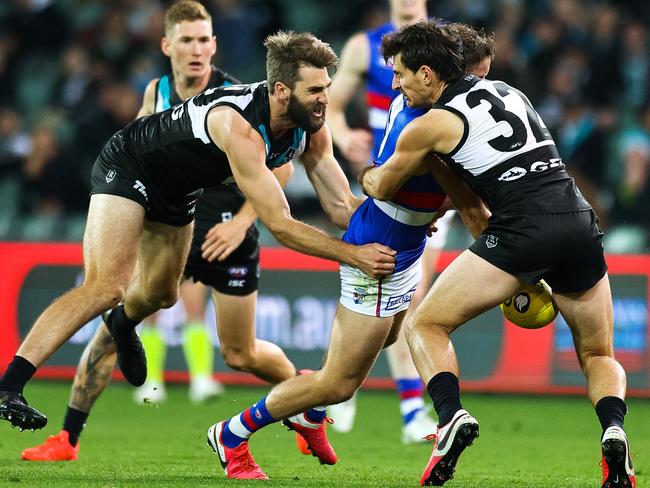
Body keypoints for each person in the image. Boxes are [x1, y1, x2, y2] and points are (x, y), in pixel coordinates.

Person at [0, 31, 397, 443]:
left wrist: (400, 224)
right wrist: (354, 255)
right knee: (107, 285)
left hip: (179, 191)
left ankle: (121, 324)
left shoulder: (311, 128)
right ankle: (10, 385)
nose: (325, 99)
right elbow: (279, 224)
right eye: (314, 89)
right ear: (281, 90)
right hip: (131, 164)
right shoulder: (239, 123)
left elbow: (340, 207)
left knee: (161, 295)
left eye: (327, 88)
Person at [206, 25, 492, 481]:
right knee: (337, 384)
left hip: (403, 243)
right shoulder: (428, 121)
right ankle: (232, 432)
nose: (484, 90)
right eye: (479, 77)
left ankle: (309, 413)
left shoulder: (423, 106)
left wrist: (420, 205)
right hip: (379, 252)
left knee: (395, 336)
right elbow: (439, 189)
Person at [18, 1, 300, 461]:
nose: (197, 50)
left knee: (241, 353)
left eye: (204, 40)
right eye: (186, 40)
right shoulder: (158, 90)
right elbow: (142, 152)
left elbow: (281, 171)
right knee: (117, 318)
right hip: (171, 222)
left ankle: (302, 400)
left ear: (214, 44)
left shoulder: (239, 95)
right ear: (168, 46)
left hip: (227, 225)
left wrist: (245, 223)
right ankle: (67, 438)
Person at [359, 21, 635, 488]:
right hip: (578, 221)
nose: (397, 84)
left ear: (428, 74)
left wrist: (368, 173)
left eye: (402, 74)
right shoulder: (509, 91)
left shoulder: (432, 124)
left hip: (521, 228)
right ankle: (613, 428)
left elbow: (385, 186)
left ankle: (450, 417)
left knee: (425, 324)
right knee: (597, 351)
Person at [326, 0, 436, 440]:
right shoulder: (362, 47)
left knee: (412, 296)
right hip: (382, 181)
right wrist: (343, 134)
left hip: (428, 187)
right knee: (373, 290)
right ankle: (343, 390)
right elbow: (329, 108)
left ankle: (406, 408)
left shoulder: (443, 44)